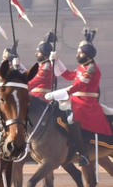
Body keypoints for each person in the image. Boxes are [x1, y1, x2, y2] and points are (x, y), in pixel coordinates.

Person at [47, 29, 110, 159]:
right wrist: (56, 61)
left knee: (71, 118)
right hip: (76, 99)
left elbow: (78, 86)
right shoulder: (83, 66)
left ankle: (82, 151)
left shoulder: (91, 69)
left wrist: (55, 94)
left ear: (88, 55)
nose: (78, 54)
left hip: (87, 102)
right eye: (78, 51)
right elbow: (69, 75)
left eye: (81, 52)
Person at [28, 32, 67, 102]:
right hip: (34, 96)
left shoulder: (46, 68)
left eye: (39, 52)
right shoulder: (41, 66)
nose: (36, 54)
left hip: (41, 98)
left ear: (45, 54)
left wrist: (20, 87)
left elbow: (33, 83)